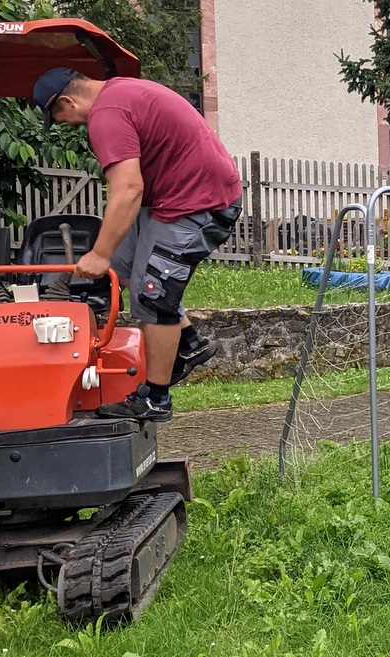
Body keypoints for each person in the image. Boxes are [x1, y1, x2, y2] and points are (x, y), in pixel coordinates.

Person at [32, 66, 242, 422]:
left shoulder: (105, 115)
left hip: (199, 203)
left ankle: (155, 400)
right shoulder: (119, 93)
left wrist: (97, 254)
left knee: (153, 293)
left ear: (67, 101)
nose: (68, 124)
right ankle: (190, 344)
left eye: (60, 116)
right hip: (170, 200)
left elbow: (129, 188)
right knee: (122, 266)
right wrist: (106, 256)